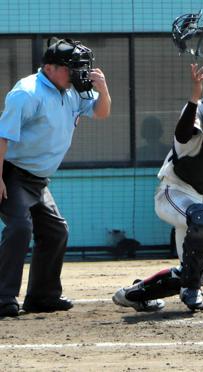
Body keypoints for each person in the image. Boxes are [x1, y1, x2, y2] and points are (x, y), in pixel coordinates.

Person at [112, 63, 203, 312]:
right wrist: (195, 96)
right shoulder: (200, 110)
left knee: (195, 273)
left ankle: (133, 294)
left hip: (198, 197)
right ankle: (190, 291)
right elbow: (184, 134)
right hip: (173, 191)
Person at [0, 38, 111, 317]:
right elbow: (2, 136)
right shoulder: (27, 93)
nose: (77, 73)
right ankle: (3, 297)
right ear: (49, 68)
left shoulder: (73, 91)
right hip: (10, 172)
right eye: (70, 67)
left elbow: (101, 113)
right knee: (19, 229)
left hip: (37, 180)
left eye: (79, 67)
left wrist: (103, 89)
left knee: (55, 231)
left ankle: (42, 296)